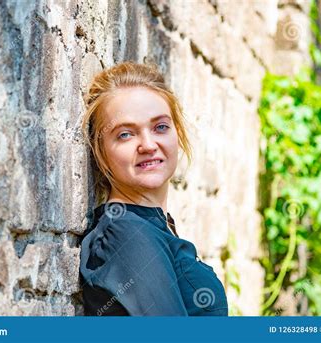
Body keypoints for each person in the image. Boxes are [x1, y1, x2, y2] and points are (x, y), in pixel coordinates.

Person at [79, 61, 228, 316]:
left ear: (177, 133)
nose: (148, 144)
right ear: (100, 150)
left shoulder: (152, 226)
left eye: (160, 127)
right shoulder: (126, 235)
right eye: (125, 134)